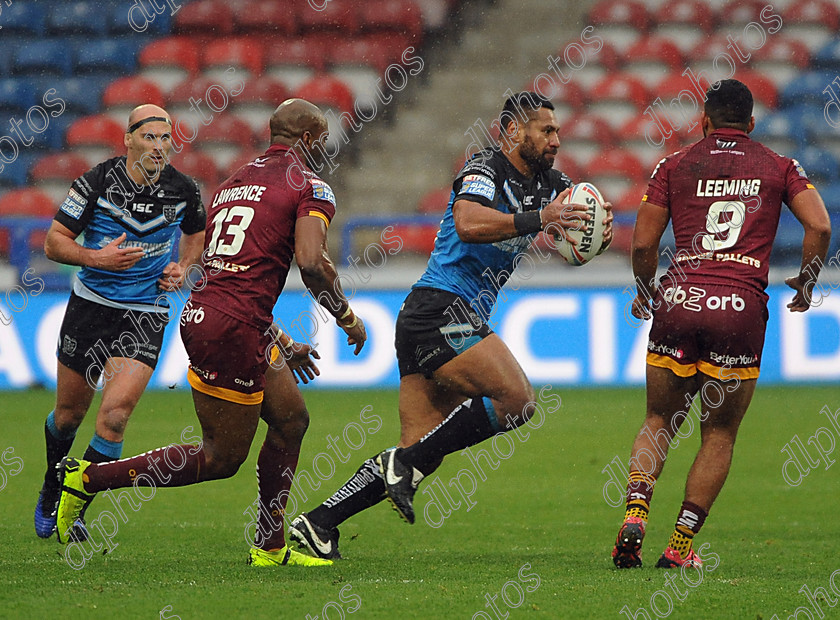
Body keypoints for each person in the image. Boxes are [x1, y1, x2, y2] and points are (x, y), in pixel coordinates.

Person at [288, 91, 613, 560]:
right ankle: (407, 464)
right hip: (440, 308)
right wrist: (541, 218)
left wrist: (583, 234)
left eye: (558, 131)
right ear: (513, 132)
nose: (557, 140)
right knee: (517, 401)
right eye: (547, 130)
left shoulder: (551, 183)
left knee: (418, 446)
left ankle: (318, 524)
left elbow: (576, 224)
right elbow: (467, 223)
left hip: (437, 316)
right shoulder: (484, 169)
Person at [55, 98, 368, 567]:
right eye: (320, 140)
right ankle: (87, 479)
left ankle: (269, 545)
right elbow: (311, 264)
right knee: (220, 459)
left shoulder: (232, 183)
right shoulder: (311, 187)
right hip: (233, 331)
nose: (322, 149)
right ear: (307, 140)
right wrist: (346, 316)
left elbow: (232, 275)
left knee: (291, 420)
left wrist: (280, 340)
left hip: (220, 318)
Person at [611, 79, 832, 569]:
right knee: (719, 435)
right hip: (739, 308)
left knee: (659, 420)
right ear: (751, 124)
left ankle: (634, 515)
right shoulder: (779, 166)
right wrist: (808, 282)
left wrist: (645, 289)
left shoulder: (674, 163)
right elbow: (819, 226)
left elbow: (645, 243)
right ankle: (679, 549)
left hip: (679, 299)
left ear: (703, 122)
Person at [35, 104, 206, 539]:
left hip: (145, 312)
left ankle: (74, 507)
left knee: (114, 417)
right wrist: (97, 258)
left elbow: (196, 231)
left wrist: (183, 266)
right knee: (69, 415)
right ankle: (51, 484)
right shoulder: (95, 183)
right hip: (90, 306)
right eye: (149, 137)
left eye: (166, 138)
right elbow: (55, 243)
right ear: (128, 139)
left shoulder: (183, 189)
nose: (159, 146)